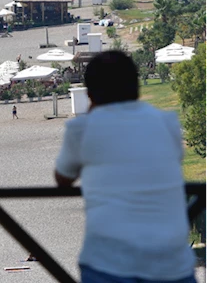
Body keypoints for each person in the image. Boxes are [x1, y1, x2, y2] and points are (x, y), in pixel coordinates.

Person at [54, 51, 196, 283]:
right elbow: (172, 161)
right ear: (136, 86)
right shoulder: (166, 122)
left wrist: (91, 112)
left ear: (90, 94)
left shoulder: (82, 129)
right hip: (172, 264)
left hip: (109, 263)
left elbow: (63, 178)